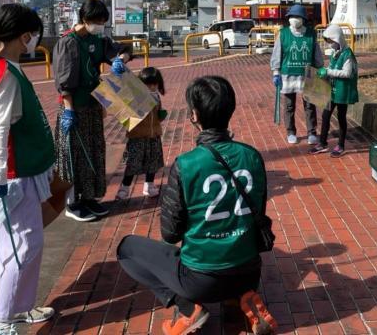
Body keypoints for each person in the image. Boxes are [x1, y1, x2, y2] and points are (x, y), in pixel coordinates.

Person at [116, 76, 278, 335]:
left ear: (194, 115)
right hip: (249, 273)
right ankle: (243, 297)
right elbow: (258, 212)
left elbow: (171, 234)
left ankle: (188, 307)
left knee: (127, 249)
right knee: (233, 262)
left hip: (201, 281)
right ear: (231, 110)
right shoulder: (253, 156)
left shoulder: (186, 164)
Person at [0, 4, 56, 335]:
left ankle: (22, 308)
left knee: (25, 245)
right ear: (24, 36)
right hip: (15, 177)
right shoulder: (5, 74)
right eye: (34, 35)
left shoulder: (4, 67)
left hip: (21, 172)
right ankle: (2, 321)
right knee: (21, 248)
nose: (36, 40)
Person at [52, 0, 132, 222]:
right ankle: (72, 202)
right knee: (74, 155)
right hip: (74, 108)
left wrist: (120, 60)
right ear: (85, 19)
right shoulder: (68, 42)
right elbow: (64, 81)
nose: (100, 26)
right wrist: (68, 111)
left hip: (93, 105)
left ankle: (89, 197)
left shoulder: (99, 40)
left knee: (94, 151)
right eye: (97, 22)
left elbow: (122, 50)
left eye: (103, 23)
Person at [270, 4, 324, 144]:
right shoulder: (284, 34)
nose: (295, 19)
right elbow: (277, 54)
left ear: (303, 19)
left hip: (308, 74)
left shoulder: (311, 34)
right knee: (289, 105)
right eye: (292, 16)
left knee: (309, 105)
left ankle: (312, 132)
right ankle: (290, 131)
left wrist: (320, 69)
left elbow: (317, 54)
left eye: (298, 17)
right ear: (288, 18)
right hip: (288, 74)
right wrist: (276, 72)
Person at [116, 66, 167, 200]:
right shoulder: (136, 97)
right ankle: (125, 187)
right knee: (133, 164)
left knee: (152, 163)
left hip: (153, 135)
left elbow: (156, 116)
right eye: (147, 84)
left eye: (154, 84)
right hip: (137, 137)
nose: (151, 87)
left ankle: (149, 186)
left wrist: (161, 115)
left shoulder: (156, 97)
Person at [309, 24, 358, 158]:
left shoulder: (347, 54)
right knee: (325, 116)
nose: (330, 44)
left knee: (341, 117)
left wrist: (329, 71)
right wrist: (323, 73)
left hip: (342, 91)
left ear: (338, 39)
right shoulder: (335, 54)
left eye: (332, 41)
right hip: (332, 90)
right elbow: (331, 68)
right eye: (328, 41)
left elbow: (347, 73)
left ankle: (341, 145)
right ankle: (323, 143)